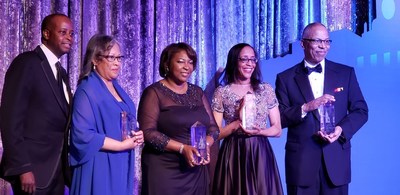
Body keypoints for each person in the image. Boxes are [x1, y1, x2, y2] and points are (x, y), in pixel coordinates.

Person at [275, 22, 368, 195]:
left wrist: (341, 129)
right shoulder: (285, 78)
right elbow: (279, 118)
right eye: (318, 41)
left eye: (327, 42)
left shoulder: (345, 73)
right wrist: (306, 107)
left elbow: (361, 110)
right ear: (303, 43)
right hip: (301, 164)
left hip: (336, 162)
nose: (323, 46)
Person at [0, 13, 74, 194]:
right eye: (63, 32)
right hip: (32, 171)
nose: (69, 38)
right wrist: (23, 167)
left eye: (71, 34)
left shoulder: (61, 73)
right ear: (46, 34)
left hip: (56, 172)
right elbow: (10, 119)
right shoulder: (27, 63)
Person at [138, 42, 219, 195]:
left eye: (190, 62)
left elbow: (214, 129)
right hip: (164, 170)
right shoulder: (154, 93)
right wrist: (182, 148)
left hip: (195, 168)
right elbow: (148, 133)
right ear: (167, 64)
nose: (187, 66)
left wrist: (205, 145)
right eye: (180, 61)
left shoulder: (197, 92)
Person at [69, 34, 144, 195]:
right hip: (99, 164)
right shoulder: (87, 90)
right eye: (111, 58)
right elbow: (82, 135)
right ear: (95, 60)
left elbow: (124, 119)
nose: (117, 63)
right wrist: (121, 145)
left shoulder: (116, 86)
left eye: (119, 58)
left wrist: (136, 134)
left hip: (120, 161)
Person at [211, 43, 284, 195]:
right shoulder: (221, 92)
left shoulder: (265, 89)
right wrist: (237, 123)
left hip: (259, 150)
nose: (250, 64)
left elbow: (277, 129)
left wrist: (261, 131)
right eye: (244, 59)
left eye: (253, 59)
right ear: (234, 61)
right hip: (233, 151)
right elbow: (215, 134)